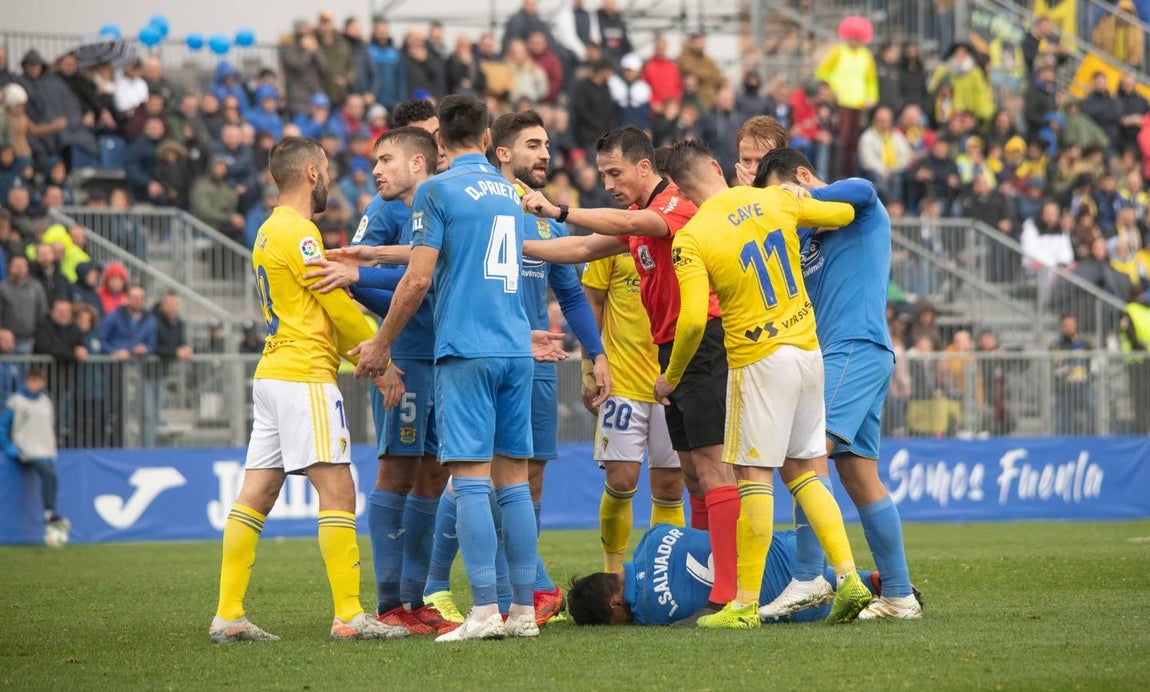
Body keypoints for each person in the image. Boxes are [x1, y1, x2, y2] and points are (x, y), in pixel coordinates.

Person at [520, 126, 739, 625]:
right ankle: (711, 572)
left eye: (615, 172)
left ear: (646, 168)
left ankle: (728, 592)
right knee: (691, 475)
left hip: (703, 342)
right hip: (670, 354)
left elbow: (621, 220)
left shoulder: (675, 207)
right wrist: (514, 245)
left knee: (709, 469)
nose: (609, 182)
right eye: (602, 174)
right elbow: (576, 251)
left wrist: (557, 211)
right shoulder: (637, 225)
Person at [349, 95, 544, 643]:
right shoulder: (513, 194)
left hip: (465, 351)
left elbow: (417, 277)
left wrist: (382, 343)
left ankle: (483, 611)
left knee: (472, 483)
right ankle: (522, 611)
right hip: (516, 349)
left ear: (439, 145)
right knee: (514, 486)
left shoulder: (436, 190)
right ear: (487, 139)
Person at [657, 139, 871, 628]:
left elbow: (691, 322)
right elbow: (839, 215)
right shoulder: (774, 198)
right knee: (803, 472)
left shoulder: (691, 237)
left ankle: (744, 605)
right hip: (808, 350)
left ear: (680, 189)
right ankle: (850, 577)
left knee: (753, 477)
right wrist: (801, 197)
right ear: (716, 166)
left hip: (758, 360)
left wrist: (671, 377)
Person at [208, 136, 408, 644]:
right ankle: (349, 614)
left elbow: (313, 308)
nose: (333, 177)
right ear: (313, 173)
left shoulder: (267, 231)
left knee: (257, 492)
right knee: (338, 488)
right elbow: (336, 307)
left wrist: (360, 355)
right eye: (329, 167)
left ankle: (228, 614)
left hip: (274, 372)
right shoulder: (301, 233)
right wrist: (378, 356)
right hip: (303, 376)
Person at [302, 102, 455, 635]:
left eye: (385, 158)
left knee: (436, 472)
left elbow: (438, 278)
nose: (442, 146)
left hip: (450, 353)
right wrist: (355, 279)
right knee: (398, 469)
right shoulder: (385, 207)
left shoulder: (446, 198)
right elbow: (360, 270)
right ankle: (391, 599)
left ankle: (418, 597)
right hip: (408, 355)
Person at [756, 147, 921, 619]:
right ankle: (899, 595)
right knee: (858, 475)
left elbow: (864, 188)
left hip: (854, 346)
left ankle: (808, 577)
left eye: (785, 194)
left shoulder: (857, 206)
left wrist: (802, 196)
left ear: (802, 178)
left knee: (805, 456)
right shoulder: (807, 236)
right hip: (841, 356)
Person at [494, 109, 612, 621]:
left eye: (546, 145)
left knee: (532, 477)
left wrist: (597, 351)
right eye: (532, 145)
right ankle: (490, 586)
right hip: (494, 356)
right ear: (503, 152)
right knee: (482, 475)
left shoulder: (542, 216)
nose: (544, 154)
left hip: (540, 363)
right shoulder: (488, 209)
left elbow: (569, 292)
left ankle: (528, 581)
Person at [568, 524, 905, 626]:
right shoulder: (653, 535)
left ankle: (864, 592)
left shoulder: (647, 612)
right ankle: (868, 579)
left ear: (616, 604)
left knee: (802, 601)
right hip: (781, 545)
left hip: (775, 594)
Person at [582, 251, 685, 573]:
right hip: (621, 381)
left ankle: (661, 572)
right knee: (621, 479)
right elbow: (592, 303)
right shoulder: (614, 237)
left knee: (670, 486)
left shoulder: (685, 226)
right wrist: (589, 366)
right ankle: (613, 574)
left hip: (673, 379)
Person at [0, 367, 69, 544]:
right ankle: (49, 513)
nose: (34, 384)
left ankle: (51, 519)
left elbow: (48, 428)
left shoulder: (46, 402)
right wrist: (9, 448)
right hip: (26, 449)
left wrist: (51, 450)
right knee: (49, 474)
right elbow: (3, 427)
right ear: (26, 381)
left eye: (37, 380)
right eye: (31, 380)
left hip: (45, 450)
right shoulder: (16, 401)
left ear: (43, 383)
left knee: (51, 475)